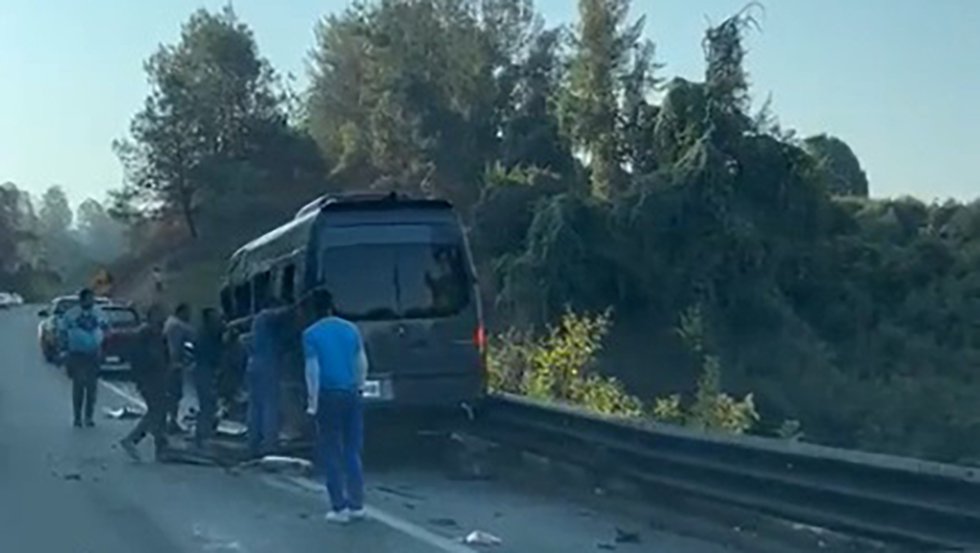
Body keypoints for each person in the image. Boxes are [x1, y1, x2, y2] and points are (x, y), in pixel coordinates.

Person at [303, 289, 368, 524]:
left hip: (328, 395)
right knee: (352, 449)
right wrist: (359, 386)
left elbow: (313, 370)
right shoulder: (351, 329)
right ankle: (357, 504)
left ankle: (338, 506)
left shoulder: (311, 334)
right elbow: (361, 361)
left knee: (331, 449)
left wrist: (312, 402)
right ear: (332, 305)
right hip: (351, 393)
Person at [119, 304, 171, 462]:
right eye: (158, 313)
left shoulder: (158, 333)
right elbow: (140, 357)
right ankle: (133, 439)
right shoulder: (145, 333)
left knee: (160, 410)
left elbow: (165, 355)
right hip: (149, 377)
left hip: (157, 376)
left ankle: (161, 445)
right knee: (157, 410)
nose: (162, 316)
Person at [246, 299, 291, 457]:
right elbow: (280, 313)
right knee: (269, 406)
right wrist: (296, 305)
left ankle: (254, 442)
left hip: (254, 365)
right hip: (267, 366)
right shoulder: (265, 316)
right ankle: (269, 445)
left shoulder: (258, 322)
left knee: (256, 405)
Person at [61, 288, 108, 428]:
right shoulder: (71, 315)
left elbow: (106, 330)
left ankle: (89, 417)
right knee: (79, 386)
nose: (92, 301)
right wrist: (64, 352)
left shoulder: (99, 314)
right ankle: (77, 417)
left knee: (92, 388)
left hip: (93, 355)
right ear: (82, 300)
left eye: (92, 298)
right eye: (89, 298)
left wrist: (103, 349)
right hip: (77, 355)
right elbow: (63, 333)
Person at [193, 307, 223, 447]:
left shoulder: (208, 333)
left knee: (209, 404)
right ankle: (202, 435)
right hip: (204, 371)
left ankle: (204, 433)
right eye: (216, 318)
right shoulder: (205, 335)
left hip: (206, 371)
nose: (219, 320)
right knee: (207, 404)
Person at [164, 303, 195, 433]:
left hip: (168, 363)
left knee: (171, 393)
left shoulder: (170, 322)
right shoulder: (177, 325)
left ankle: (170, 421)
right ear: (181, 312)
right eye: (188, 313)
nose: (189, 316)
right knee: (174, 394)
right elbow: (193, 336)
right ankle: (171, 421)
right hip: (173, 364)